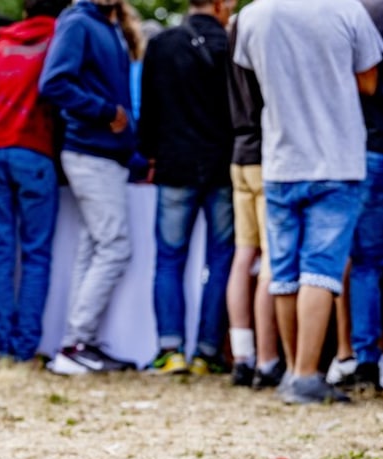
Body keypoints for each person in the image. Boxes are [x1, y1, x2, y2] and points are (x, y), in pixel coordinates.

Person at [234, 0, 383, 404]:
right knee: (320, 268)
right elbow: (369, 82)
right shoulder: (347, 11)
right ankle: (305, 374)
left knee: (283, 270)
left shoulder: (253, 15)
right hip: (336, 159)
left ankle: (290, 372)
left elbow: (250, 84)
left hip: (281, 159)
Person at [39, 0, 135, 375]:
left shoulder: (107, 24)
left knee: (93, 247)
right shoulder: (79, 22)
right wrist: (105, 112)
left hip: (103, 153)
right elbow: (54, 82)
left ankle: (77, 344)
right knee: (114, 245)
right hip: (89, 151)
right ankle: (77, 343)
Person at [140, 0, 235, 376]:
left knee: (169, 259)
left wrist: (148, 154)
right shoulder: (230, 45)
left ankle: (170, 348)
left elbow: (149, 110)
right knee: (220, 260)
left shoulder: (162, 44)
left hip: (174, 165)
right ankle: (208, 352)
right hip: (222, 166)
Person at [0, 0, 67, 363]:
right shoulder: (59, 37)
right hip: (33, 150)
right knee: (35, 252)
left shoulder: (0, 41)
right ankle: (25, 348)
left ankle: (2, 346)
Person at [224, 0, 283, 389]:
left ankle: (242, 355)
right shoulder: (271, 24)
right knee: (271, 261)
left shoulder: (236, 25)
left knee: (244, 255)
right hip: (266, 153)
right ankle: (266, 360)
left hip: (239, 153)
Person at [349, 0, 383, 391]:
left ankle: (365, 361)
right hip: (369, 147)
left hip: (368, 146)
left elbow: (364, 81)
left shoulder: (358, 13)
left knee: (366, 263)